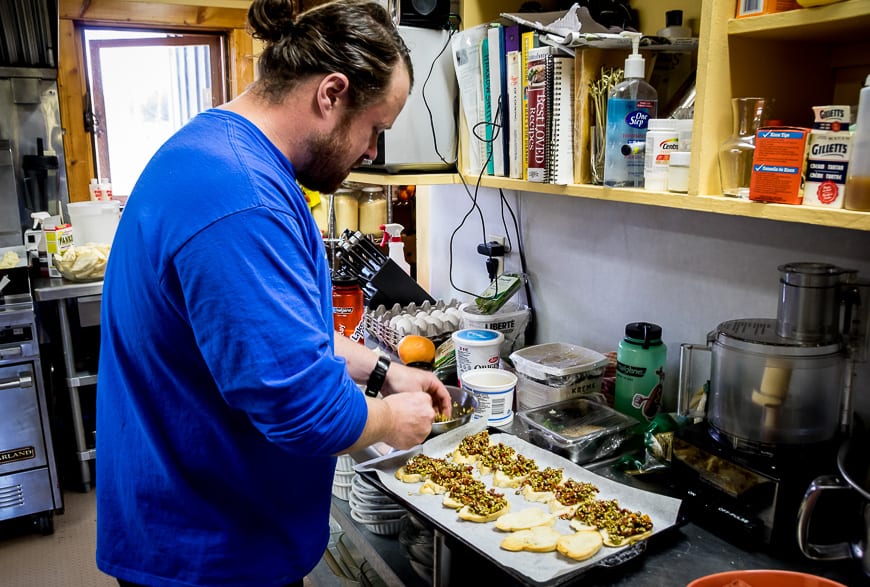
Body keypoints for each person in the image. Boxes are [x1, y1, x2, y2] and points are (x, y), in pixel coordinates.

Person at [94, 0, 451, 585]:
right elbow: (303, 414)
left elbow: (275, 336)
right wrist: (390, 418)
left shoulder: (219, 151)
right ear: (331, 94)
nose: (372, 153)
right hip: (211, 550)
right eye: (375, 130)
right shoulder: (241, 198)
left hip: (209, 520)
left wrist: (385, 370)